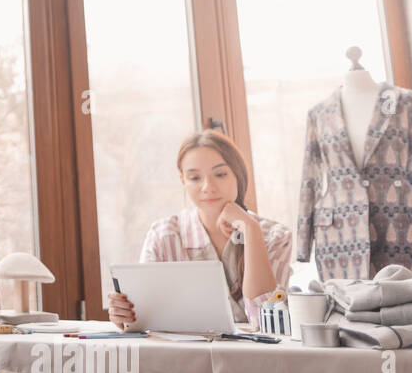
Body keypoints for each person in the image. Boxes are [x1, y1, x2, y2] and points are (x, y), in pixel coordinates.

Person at [108, 130, 292, 330]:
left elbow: (267, 321)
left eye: (220, 174)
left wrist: (250, 228)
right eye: (195, 177)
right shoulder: (163, 236)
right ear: (183, 182)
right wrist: (125, 314)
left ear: (237, 175)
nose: (207, 187)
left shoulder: (275, 236)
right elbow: (146, 320)